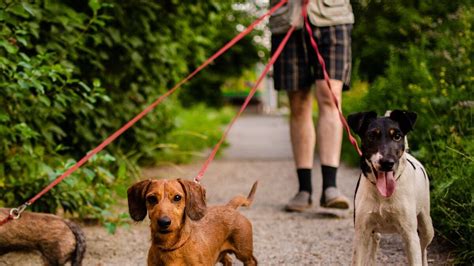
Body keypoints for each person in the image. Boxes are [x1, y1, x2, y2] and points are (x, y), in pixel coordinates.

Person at [269, 0, 354, 211]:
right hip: (287, 19)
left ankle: (330, 188)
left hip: (333, 17)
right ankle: (304, 189)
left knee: (330, 95)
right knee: (298, 103)